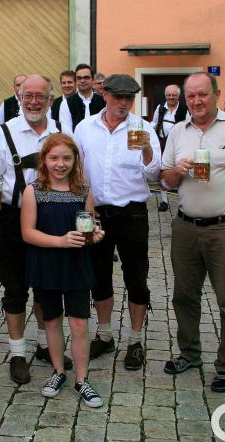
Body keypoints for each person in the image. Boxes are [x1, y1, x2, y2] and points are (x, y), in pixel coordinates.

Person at [160, 72, 225, 393]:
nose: (196, 101)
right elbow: (165, 180)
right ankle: (190, 354)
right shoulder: (178, 131)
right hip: (186, 227)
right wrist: (178, 170)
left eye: (202, 94)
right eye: (190, 95)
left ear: (216, 94)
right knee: (184, 296)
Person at [0, 74, 72, 385]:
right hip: (12, 219)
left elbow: (76, 173)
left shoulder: (61, 132)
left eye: (39, 96)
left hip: (52, 217)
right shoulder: (4, 133)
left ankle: (46, 346)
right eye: (27, 95)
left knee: (48, 288)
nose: (33, 101)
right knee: (15, 289)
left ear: (50, 99)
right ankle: (18, 353)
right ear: (19, 98)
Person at [73, 74, 161, 370]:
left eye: (129, 98)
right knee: (98, 276)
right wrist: (87, 204)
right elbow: (77, 168)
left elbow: (154, 174)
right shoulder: (85, 127)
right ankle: (105, 334)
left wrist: (147, 148)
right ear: (106, 95)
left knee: (136, 277)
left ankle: (135, 341)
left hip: (132, 213)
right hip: (97, 213)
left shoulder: (143, 127)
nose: (123, 103)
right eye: (118, 97)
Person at [21, 133, 105, 408]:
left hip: (77, 264)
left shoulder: (83, 190)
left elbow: (91, 225)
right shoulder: (33, 191)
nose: (60, 164)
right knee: (52, 320)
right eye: (54, 157)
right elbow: (27, 233)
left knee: (80, 322)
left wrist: (96, 235)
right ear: (44, 160)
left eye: (66, 158)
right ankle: (58, 372)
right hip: (46, 262)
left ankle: (82, 380)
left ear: (75, 160)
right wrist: (59, 241)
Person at [150, 84, 189, 212]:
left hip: (178, 144)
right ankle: (164, 201)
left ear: (178, 96)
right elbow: (154, 123)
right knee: (162, 171)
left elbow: (189, 127)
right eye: (168, 95)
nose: (171, 97)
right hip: (162, 143)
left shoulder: (185, 109)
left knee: (180, 171)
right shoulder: (160, 108)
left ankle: (183, 200)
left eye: (174, 95)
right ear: (165, 96)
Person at [59, 64, 106, 132]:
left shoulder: (104, 101)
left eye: (86, 77)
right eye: (79, 78)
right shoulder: (66, 103)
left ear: (92, 80)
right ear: (76, 81)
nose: (82, 80)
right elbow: (66, 131)